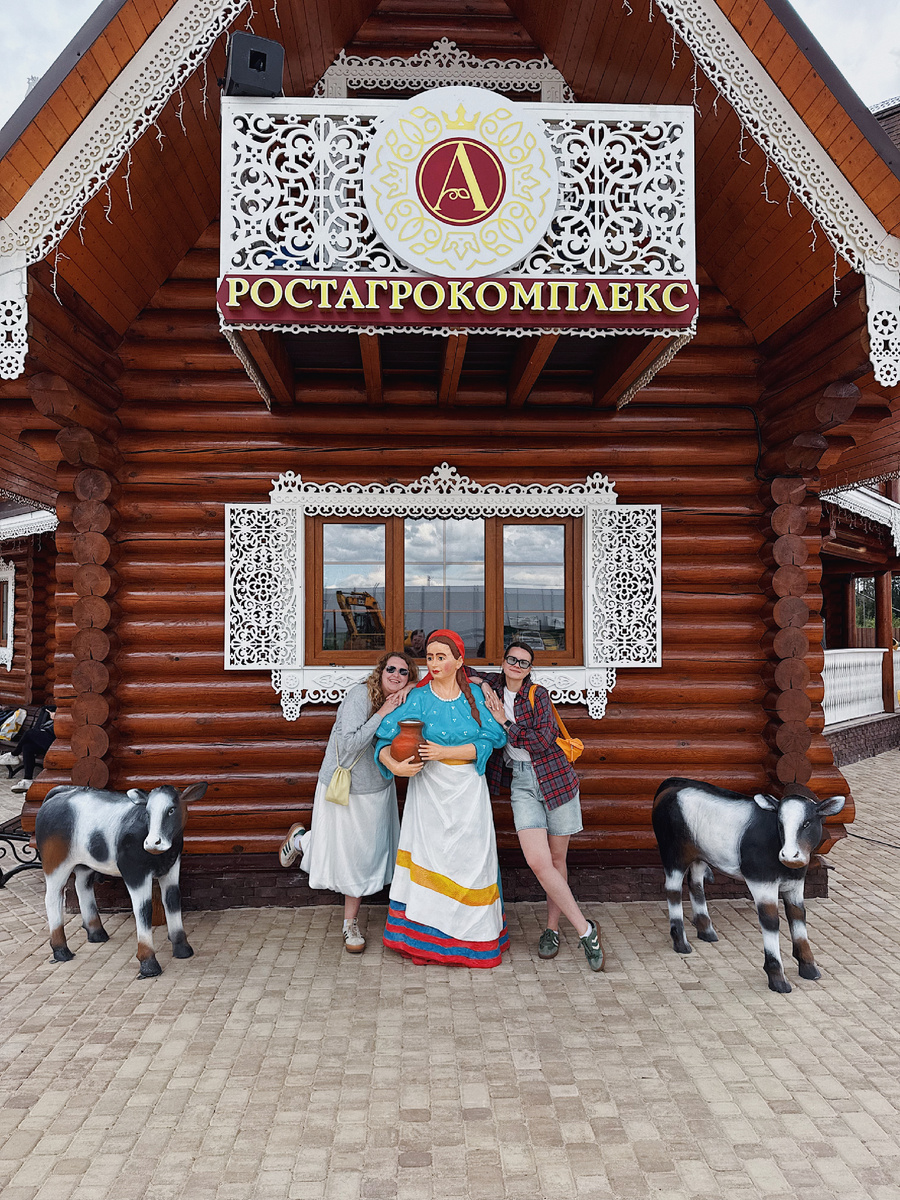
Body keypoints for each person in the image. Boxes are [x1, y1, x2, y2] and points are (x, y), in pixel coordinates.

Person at [376, 629, 508, 967]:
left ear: (459, 661)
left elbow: (493, 738)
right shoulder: (418, 698)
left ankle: (473, 938)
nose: (434, 663)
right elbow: (384, 737)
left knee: (469, 860)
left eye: (441, 657)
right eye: (430, 657)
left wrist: (446, 751)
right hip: (428, 793)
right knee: (430, 859)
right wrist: (393, 764)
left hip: (468, 791)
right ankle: (426, 940)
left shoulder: (475, 696)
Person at [470, 643, 604, 971]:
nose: (517, 665)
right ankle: (586, 930)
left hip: (556, 778)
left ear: (530, 668)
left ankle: (552, 929)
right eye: (512, 659)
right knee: (538, 862)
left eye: (524, 662)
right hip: (522, 782)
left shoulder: (538, 694)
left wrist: (504, 722)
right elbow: (463, 670)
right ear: (503, 662)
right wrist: (484, 684)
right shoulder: (495, 684)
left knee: (557, 860)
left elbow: (543, 741)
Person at [278, 651, 418, 953]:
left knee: (367, 854)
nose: (395, 675)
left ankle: (301, 841)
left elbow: (440, 680)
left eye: (403, 672)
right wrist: (383, 712)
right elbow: (350, 743)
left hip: (378, 787)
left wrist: (408, 690)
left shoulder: (406, 698)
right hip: (345, 786)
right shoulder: (360, 696)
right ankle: (350, 924)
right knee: (347, 855)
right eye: (390, 669)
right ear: (380, 672)